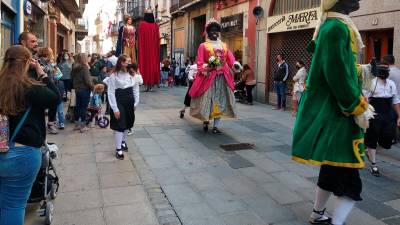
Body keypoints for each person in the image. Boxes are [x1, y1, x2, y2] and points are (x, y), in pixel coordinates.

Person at [292, 1, 376, 225]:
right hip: (338, 114)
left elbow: (341, 67)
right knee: (350, 182)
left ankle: (317, 215)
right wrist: (357, 106)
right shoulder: (337, 28)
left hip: (333, 112)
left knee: (330, 169)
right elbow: (336, 74)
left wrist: (366, 70)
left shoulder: (332, 25)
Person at [0, 45, 60, 225]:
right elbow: (55, 98)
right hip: (22, 153)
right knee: (14, 205)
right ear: (28, 63)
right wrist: (41, 73)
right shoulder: (30, 87)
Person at [189, 18, 237, 134]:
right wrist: (208, 65)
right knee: (207, 99)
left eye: (216, 30)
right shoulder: (203, 46)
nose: (214, 32)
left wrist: (236, 65)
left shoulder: (224, 45)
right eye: (212, 30)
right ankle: (205, 120)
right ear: (208, 32)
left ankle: (216, 126)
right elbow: (200, 61)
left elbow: (231, 60)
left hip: (222, 78)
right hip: (208, 77)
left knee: (220, 101)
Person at [363, 63, 400, 176]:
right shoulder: (372, 83)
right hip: (375, 114)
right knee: (372, 138)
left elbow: (395, 100)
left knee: (388, 139)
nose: (384, 73)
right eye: (382, 71)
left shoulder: (391, 84)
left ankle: (369, 150)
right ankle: (374, 164)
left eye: (386, 71)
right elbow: (365, 100)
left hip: (388, 114)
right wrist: (365, 115)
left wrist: (399, 116)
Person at [108, 55, 140, 159]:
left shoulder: (133, 74)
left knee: (128, 124)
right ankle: (118, 150)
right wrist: (115, 108)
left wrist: (136, 103)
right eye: (127, 61)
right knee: (120, 125)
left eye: (130, 61)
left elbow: (135, 89)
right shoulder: (114, 75)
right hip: (119, 101)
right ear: (121, 62)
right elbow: (111, 92)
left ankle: (123, 142)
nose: (129, 63)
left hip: (130, 101)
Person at [38, 47, 62, 134]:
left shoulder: (48, 62)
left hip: (51, 84)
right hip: (44, 85)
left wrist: (53, 68)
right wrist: (50, 67)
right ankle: (50, 123)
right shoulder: (40, 61)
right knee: (54, 101)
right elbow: (42, 70)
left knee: (54, 102)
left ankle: (51, 122)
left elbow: (52, 71)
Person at [138, 8, 161, 91]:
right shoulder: (156, 26)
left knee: (146, 65)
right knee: (153, 65)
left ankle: (147, 84)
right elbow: (157, 39)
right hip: (153, 51)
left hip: (145, 50)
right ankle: (151, 84)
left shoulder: (142, 24)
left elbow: (140, 40)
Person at [71, 53, 93, 133]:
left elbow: (71, 78)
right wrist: (92, 87)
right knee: (83, 107)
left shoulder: (74, 67)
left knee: (77, 107)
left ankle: (76, 125)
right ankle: (83, 126)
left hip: (77, 89)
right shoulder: (84, 68)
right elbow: (88, 81)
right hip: (85, 89)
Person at [127, 63, 143, 135]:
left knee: (131, 113)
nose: (131, 73)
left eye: (132, 72)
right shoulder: (128, 76)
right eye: (130, 72)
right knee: (128, 113)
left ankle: (130, 128)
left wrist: (138, 74)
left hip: (134, 97)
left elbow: (141, 82)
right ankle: (128, 128)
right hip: (128, 96)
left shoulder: (137, 77)